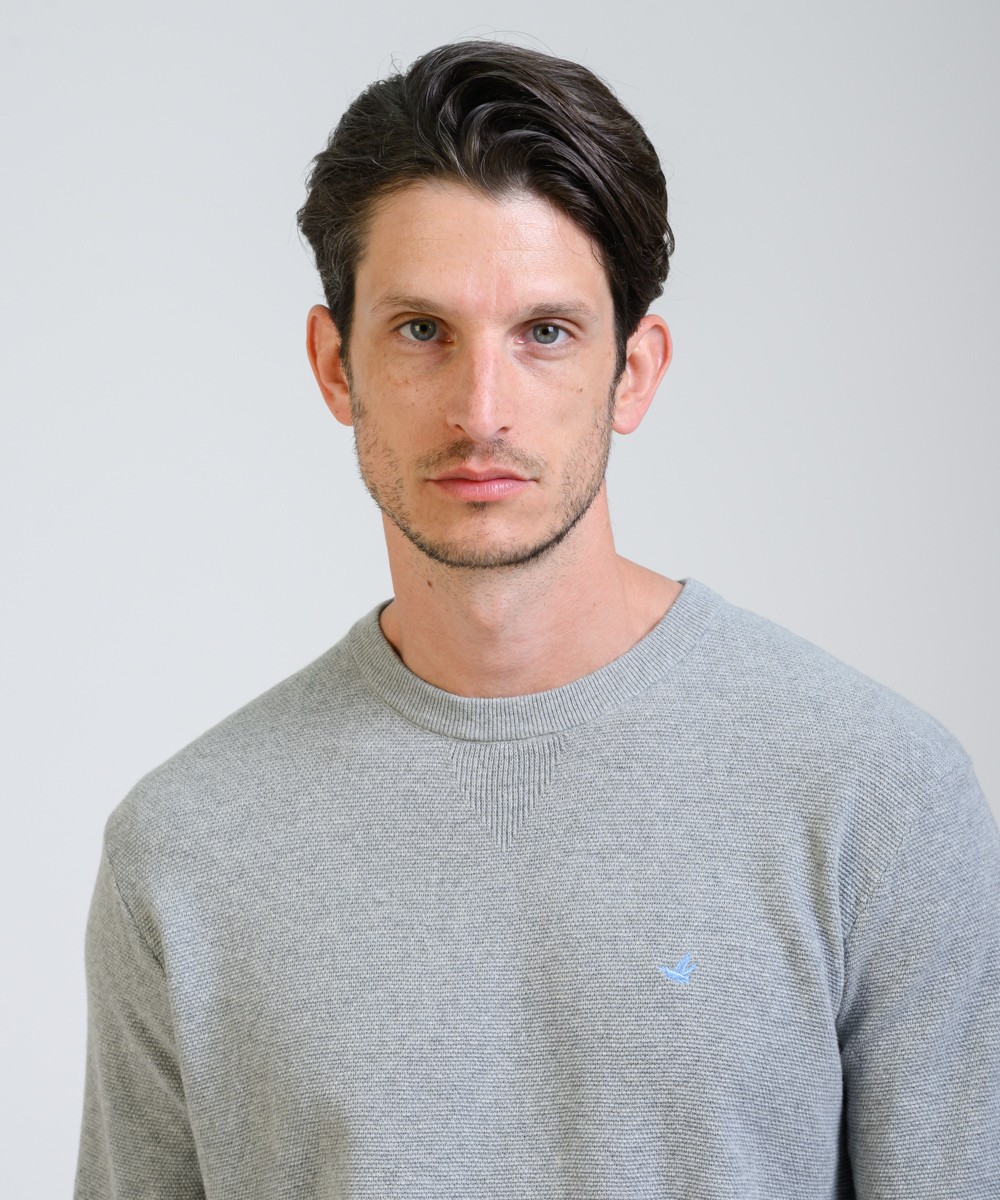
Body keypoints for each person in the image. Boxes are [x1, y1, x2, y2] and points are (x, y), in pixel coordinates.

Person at [75, 40, 999, 1199]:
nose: (482, 409)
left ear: (634, 372)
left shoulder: (873, 794)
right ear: (334, 365)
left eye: (545, 333)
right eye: (422, 331)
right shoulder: (185, 853)